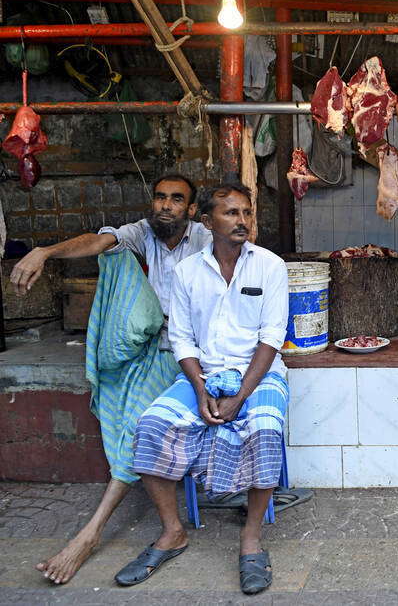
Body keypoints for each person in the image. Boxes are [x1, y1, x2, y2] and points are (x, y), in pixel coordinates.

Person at [9, 174, 211, 586]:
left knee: (138, 423)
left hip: (196, 353)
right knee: (113, 256)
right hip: (155, 343)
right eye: (159, 198)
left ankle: (90, 533)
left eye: (176, 200)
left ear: (191, 210)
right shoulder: (142, 233)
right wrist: (44, 252)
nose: (165, 206)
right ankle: (118, 357)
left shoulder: (206, 238)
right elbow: (98, 241)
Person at [115, 183, 289, 595]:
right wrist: (199, 387)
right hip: (202, 374)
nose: (241, 221)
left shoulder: (270, 266)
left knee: (264, 428)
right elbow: (182, 339)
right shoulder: (187, 272)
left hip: (258, 374)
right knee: (152, 425)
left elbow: (271, 337)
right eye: (230, 213)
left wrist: (240, 397)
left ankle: (250, 539)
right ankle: (173, 531)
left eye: (246, 212)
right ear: (207, 222)